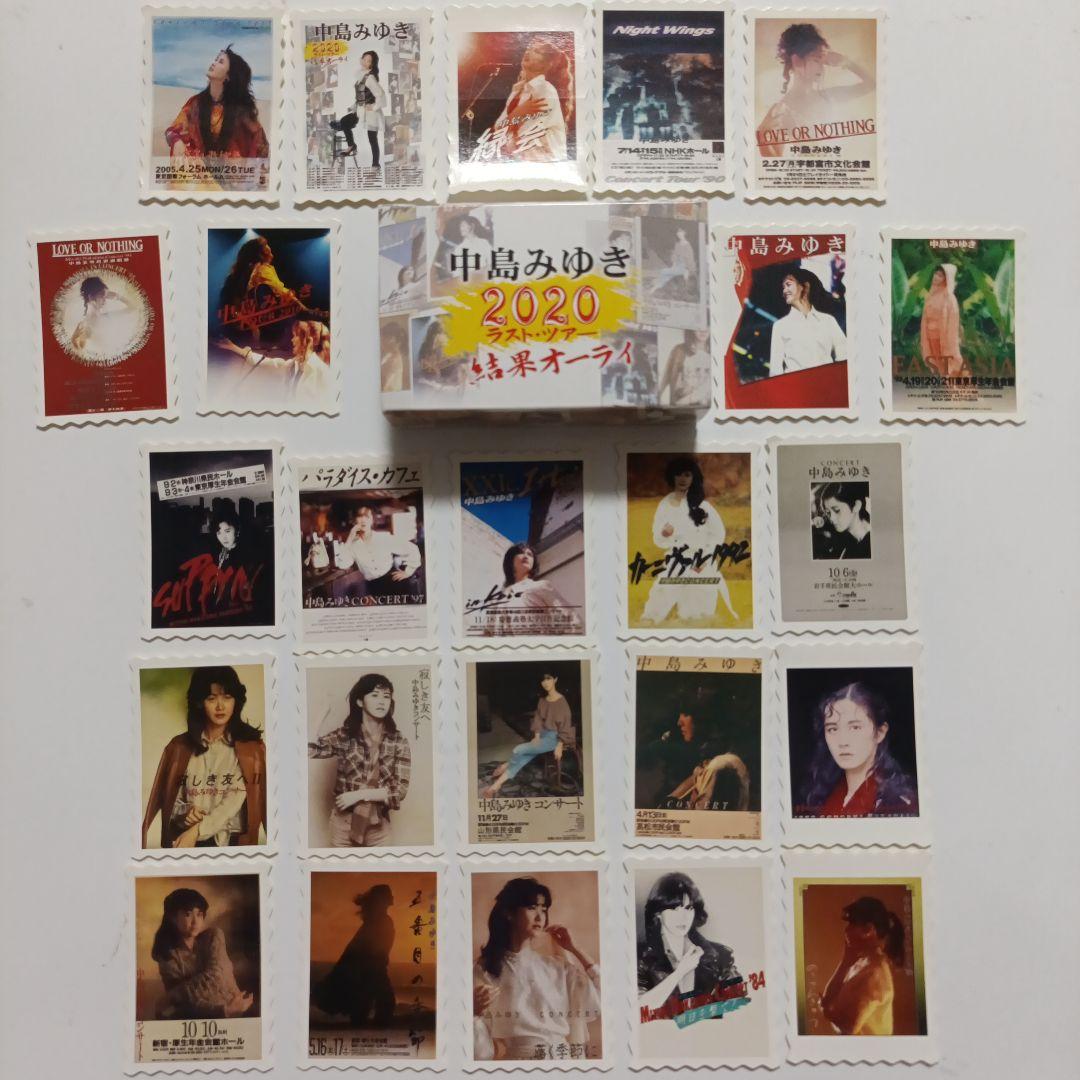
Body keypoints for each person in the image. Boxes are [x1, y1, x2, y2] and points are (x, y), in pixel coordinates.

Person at [473, 877, 600, 1060]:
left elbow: (603, 997)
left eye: (544, 910)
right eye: (532, 908)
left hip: (563, 1061)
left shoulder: (557, 967)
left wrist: (575, 949)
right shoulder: (485, 970)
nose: (540, 917)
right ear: (509, 913)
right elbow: (481, 1052)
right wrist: (473, 1012)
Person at [141, 666, 266, 849]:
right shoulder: (179, 748)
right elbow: (172, 801)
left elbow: (233, 802)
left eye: (227, 697)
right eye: (211, 698)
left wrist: (198, 830)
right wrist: (186, 812)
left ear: (236, 701)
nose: (220, 706)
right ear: (199, 702)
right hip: (187, 844)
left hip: (234, 844)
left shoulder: (250, 749)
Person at [308, 673, 412, 847]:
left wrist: (358, 795)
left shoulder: (398, 741)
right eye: (375, 695)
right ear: (360, 701)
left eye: (386, 696)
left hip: (379, 827)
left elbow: (399, 791)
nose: (382, 701)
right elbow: (310, 751)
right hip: (343, 824)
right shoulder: (345, 736)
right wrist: (322, 712)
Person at [796, 681, 918, 818]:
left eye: (855, 728)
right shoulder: (821, 795)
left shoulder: (897, 803)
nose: (843, 742)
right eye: (832, 729)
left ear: (880, 733)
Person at [641, 456, 738, 625]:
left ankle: (693, 617)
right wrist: (664, 533)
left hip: (702, 560)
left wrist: (703, 559)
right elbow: (658, 538)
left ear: (693, 478)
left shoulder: (703, 506)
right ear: (672, 476)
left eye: (687, 474)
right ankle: (652, 618)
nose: (682, 479)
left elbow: (717, 534)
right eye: (678, 474)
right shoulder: (665, 505)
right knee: (664, 589)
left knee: (698, 598)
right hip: (677, 558)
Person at [756, 23, 875, 158]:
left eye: (823, 61)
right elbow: (773, 162)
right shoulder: (781, 111)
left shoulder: (828, 96)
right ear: (797, 61)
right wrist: (763, 142)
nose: (822, 67)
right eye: (816, 60)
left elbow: (871, 84)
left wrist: (845, 61)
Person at [637, 872, 741, 1017]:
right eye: (674, 909)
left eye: (688, 908)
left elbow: (740, 1008)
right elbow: (638, 1010)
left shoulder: (719, 955)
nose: (683, 917)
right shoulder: (640, 956)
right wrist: (680, 972)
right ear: (658, 913)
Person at [151, 888, 254, 1020]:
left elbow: (216, 975)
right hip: (206, 1017)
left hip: (239, 1008)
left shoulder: (213, 936)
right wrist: (225, 1010)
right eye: (188, 914)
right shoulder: (167, 956)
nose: (195, 921)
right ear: (173, 917)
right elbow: (183, 1005)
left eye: (199, 914)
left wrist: (172, 996)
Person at [164, 46, 270, 170]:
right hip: (201, 169)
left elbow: (260, 141)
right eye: (215, 59)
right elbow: (172, 131)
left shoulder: (239, 109)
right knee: (179, 152)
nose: (213, 63)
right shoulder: (196, 103)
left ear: (228, 76)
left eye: (220, 62)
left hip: (231, 172)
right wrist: (176, 140)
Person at [475, 39, 574, 163]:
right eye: (530, 48)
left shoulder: (546, 91)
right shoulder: (518, 90)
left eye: (537, 51)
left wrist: (511, 120)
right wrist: (517, 114)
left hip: (545, 162)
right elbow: (498, 128)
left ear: (546, 65)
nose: (528, 52)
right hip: (522, 159)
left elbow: (524, 134)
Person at [312, 884, 397, 1027]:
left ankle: (368, 1029)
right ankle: (371, 1030)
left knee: (368, 1005)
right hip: (371, 969)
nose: (392, 897)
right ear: (382, 899)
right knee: (381, 1003)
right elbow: (368, 947)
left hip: (370, 968)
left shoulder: (377, 920)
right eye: (389, 894)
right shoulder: (379, 921)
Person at [481, 672, 576, 799]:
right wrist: (536, 736)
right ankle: (495, 786)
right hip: (543, 735)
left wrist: (559, 745)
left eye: (548, 679)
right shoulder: (543, 700)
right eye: (543, 680)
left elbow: (565, 725)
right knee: (523, 758)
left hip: (555, 737)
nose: (545, 683)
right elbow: (538, 719)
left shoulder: (562, 702)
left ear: (555, 679)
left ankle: (506, 765)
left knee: (518, 750)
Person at [820, 896, 905, 1035]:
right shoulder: (860, 963)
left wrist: (828, 1014)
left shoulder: (874, 973)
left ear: (868, 929)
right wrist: (845, 962)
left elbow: (849, 1029)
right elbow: (828, 1000)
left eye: (852, 924)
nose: (846, 931)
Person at [645, 710, 749, 812]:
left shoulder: (720, 766)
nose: (679, 723)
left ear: (704, 719)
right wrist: (670, 799)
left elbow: (701, 817)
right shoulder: (713, 762)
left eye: (686, 713)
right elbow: (696, 777)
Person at [215, 319, 332, 406]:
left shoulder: (321, 371)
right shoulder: (293, 365)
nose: (292, 340)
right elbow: (268, 363)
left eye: (296, 336)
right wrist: (233, 347)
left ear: (308, 340)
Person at [476, 543, 583, 637]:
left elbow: (573, 620)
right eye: (520, 552)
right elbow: (487, 633)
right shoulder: (496, 599)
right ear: (511, 560)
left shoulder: (542, 586)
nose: (526, 556)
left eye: (529, 554)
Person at [769, 268, 848, 374]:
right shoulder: (780, 326)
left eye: (788, 285)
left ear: (805, 286)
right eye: (783, 287)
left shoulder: (828, 321)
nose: (784, 291)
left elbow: (844, 355)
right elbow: (775, 370)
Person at [339, 504, 422, 598]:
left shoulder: (383, 537)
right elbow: (343, 564)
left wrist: (408, 572)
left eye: (367, 516)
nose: (363, 520)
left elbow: (412, 548)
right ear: (355, 520)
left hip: (394, 582)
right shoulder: (353, 545)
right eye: (360, 516)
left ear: (372, 520)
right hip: (374, 588)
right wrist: (350, 538)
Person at [330, 50, 386, 167]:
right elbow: (362, 96)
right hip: (360, 110)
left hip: (371, 113)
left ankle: (375, 165)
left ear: (372, 64)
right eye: (364, 59)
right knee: (345, 121)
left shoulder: (370, 78)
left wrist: (374, 106)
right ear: (361, 59)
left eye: (368, 61)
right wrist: (353, 107)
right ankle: (352, 146)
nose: (365, 62)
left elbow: (380, 94)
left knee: (372, 139)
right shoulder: (361, 75)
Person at [70, 275, 136, 358]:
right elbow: (80, 351)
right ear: (91, 297)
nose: (105, 300)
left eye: (105, 296)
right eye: (102, 296)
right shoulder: (87, 324)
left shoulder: (102, 317)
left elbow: (132, 308)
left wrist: (117, 296)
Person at [919, 264, 967, 377]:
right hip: (930, 336)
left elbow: (953, 321)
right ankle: (946, 381)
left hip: (943, 336)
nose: (936, 277)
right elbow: (925, 317)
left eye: (940, 276)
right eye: (936, 274)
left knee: (949, 362)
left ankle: (958, 383)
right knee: (938, 363)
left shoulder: (949, 298)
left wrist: (950, 338)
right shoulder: (931, 295)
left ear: (947, 279)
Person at [814, 482, 871, 560]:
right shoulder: (844, 544)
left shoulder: (871, 543)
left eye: (837, 510)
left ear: (856, 506)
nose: (831, 518)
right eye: (828, 513)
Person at [657, 329, 711, 406]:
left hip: (704, 404)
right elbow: (667, 374)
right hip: (679, 404)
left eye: (707, 326)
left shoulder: (714, 352)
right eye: (699, 326)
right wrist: (658, 395)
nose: (703, 331)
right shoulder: (679, 350)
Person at [649, 226, 696, 295]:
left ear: (684, 233)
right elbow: (675, 256)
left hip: (684, 267)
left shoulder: (688, 246)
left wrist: (688, 270)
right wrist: (674, 265)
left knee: (663, 271)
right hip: (677, 266)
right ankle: (655, 288)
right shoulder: (677, 244)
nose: (679, 234)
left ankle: (656, 285)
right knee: (666, 276)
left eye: (681, 232)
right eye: (678, 232)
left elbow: (690, 259)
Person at [380, 320, 409, 392]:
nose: (381, 341)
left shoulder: (394, 360)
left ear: (393, 340)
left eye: (384, 338)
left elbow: (385, 387)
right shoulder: (389, 356)